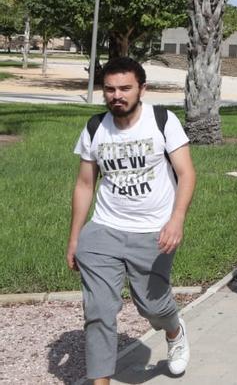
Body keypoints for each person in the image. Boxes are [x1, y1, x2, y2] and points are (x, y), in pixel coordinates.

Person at [69, 57, 196, 383]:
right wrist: (75, 238)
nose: (117, 95)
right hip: (104, 230)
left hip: (153, 232)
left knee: (152, 308)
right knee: (98, 312)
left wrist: (176, 219)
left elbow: (186, 173)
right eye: (109, 89)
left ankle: (173, 331)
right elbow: (85, 185)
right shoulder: (95, 128)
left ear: (142, 88)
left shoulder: (162, 120)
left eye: (125, 88)